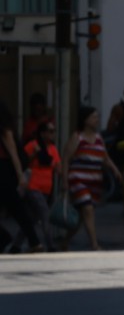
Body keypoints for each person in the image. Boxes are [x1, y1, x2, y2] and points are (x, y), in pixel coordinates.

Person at [64, 106, 124, 251]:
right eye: (93, 117)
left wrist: (115, 170)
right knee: (88, 209)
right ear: (85, 120)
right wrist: (64, 182)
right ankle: (94, 244)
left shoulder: (98, 138)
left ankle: (65, 241)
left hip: (94, 181)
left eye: (97, 117)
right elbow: (66, 158)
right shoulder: (77, 137)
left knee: (82, 216)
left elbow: (105, 157)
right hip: (78, 179)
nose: (97, 120)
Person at [0, 100, 40, 254]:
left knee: (17, 208)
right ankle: (31, 241)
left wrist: (20, 175)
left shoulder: (5, 130)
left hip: (4, 170)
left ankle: (33, 241)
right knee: (17, 208)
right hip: (4, 172)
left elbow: (13, 153)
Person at [22, 120, 60, 251]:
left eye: (54, 131)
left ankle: (16, 245)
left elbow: (57, 166)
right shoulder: (33, 145)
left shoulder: (53, 149)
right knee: (44, 212)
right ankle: (50, 244)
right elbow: (23, 161)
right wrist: (35, 154)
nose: (53, 134)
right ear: (42, 133)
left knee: (32, 218)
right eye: (50, 131)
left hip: (46, 188)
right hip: (33, 186)